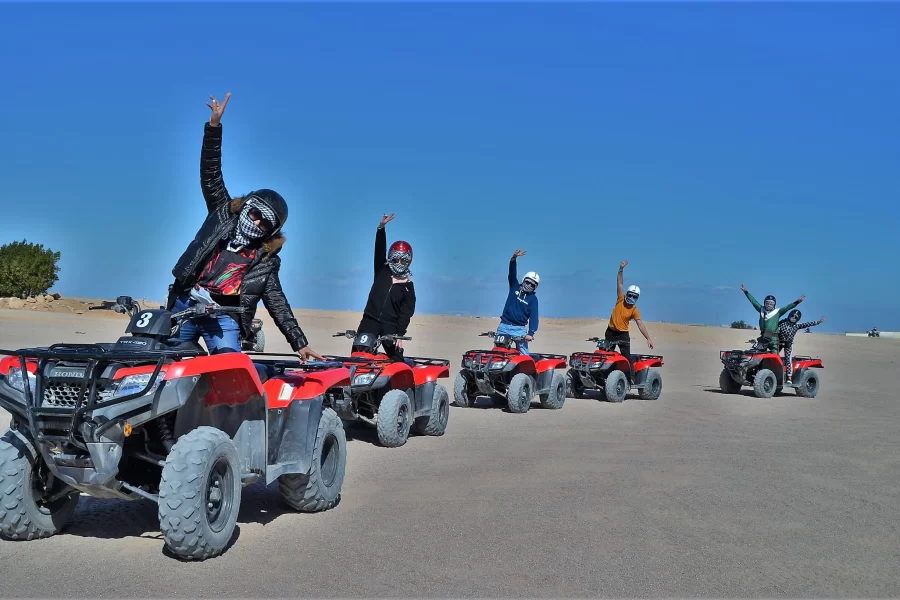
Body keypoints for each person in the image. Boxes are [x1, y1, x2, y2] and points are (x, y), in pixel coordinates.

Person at [165, 92, 323, 361]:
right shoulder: (223, 214)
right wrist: (214, 127)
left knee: (229, 369)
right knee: (164, 365)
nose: (257, 222)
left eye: (266, 223)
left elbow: (276, 301)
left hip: (224, 315)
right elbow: (211, 172)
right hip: (186, 304)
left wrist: (299, 342)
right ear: (246, 206)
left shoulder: (266, 260)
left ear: (271, 232)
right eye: (255, 214)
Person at [354, 212, 416, 362]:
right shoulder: (382, 271)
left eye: (403, 260)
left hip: (390, 327)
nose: (399, 263)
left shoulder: (408, 288)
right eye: (395, 259)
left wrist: (399, 335)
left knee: (397, 360)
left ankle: (403, 384)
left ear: (408, 261)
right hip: (369, 321)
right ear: (390, 257)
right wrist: (381, 228)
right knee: (357, 357)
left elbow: (405, 315)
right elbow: (379, 250)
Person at [604, 261, 654, 377]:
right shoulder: (621, 298)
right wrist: (621, 269)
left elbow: (640, 324)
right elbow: (620, 283)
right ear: (627, 293)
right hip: (610, 332)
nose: (631, 297)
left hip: (623, 334)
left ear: (637, 298)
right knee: (606, 356)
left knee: (627, 357)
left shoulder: (634, 310)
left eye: (634, 296)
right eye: (630, 294)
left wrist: (648, 338)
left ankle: (630, 379)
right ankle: (607, 377)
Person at [740, 283, 804, 352]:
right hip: (763, 338)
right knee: (757, 354)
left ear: (774, 304)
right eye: (767, 303)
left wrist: (797, 302)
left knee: (774, 355)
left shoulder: (778, 312)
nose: (769, 305)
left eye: (771, 303)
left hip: (773, 339)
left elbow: (787, 307)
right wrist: (746, 292)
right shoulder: (761, 309)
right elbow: (753, 301)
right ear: (764, 303)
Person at [497, 249, 539, 354]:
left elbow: (534, 317)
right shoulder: (514, 286)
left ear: (535, 287)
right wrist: (513, 259)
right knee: (498, 354)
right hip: (504, 326)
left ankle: (528, 371)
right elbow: (512, 274)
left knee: (524, 354)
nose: (529, 285)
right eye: (528, 282)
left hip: (519, 329)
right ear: (524, 280)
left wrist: (531, 333)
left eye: (532, 285)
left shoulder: (533, 299)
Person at [777, 311, 825, 384]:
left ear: (798, 319)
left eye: (795, 317)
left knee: (788, 359)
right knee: (774, 355)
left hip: (788, 344)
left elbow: (807, 324)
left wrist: (818, 322)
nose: (793, 318)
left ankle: (789, 378)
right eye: (792, 316)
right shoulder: (782, 322)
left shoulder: (797, 325)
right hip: (779, 342)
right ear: (789, 315)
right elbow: (773, 325)